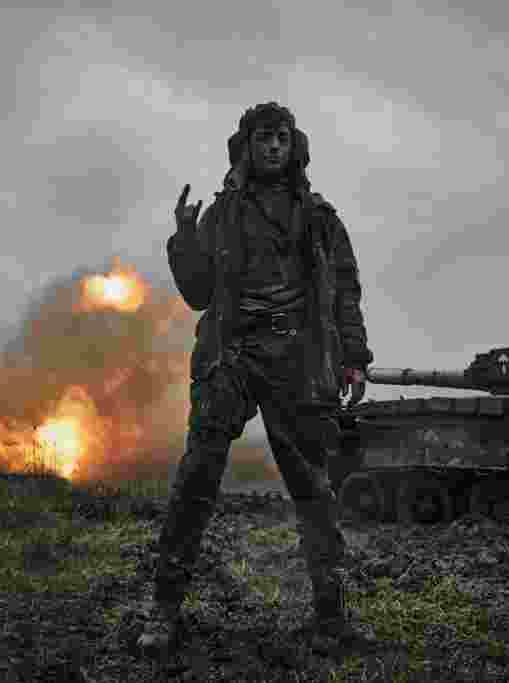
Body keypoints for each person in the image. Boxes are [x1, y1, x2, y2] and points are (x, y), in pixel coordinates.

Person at [138, 102, 375, 656]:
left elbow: (345, 290)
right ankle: (163, 613)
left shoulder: (319, 217)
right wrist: (182, 238)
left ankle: (331, 619)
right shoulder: (221, 215)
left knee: (313, 488)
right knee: (197, 477)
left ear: (295, 146)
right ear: (246, 146)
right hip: (234, 353)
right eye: (264, 138)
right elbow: (198, 292)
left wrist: (354, 356)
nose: (274, 147)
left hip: (297, 356)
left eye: (282, 138)